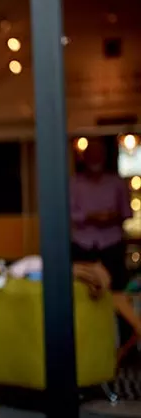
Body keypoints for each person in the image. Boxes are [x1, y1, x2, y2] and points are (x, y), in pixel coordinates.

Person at [70, 137, 140, 336]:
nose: (95, 157)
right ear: (84, 157)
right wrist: (92, 217)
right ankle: (83, 338)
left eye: (99, 153)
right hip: (82, 245)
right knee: (81, 295)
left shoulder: (116, 183)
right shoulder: (75, 184)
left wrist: (110, 217)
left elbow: (127, 213)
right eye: (91, 153)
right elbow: (70, 214)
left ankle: (127, 350)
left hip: (112, 245)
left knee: (118, 295)